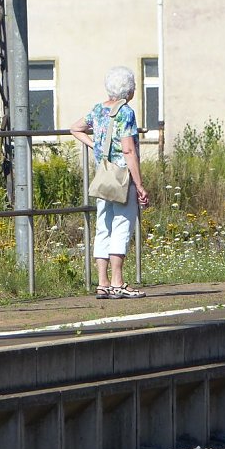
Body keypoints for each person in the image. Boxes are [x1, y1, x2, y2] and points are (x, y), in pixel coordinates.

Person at [70, 66, 150, 298]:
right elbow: (128, 150)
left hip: (103, 176)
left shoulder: (98, 109)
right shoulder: (125, 112)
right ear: (129, 90)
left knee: (103, 226)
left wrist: (95, 146)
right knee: (122, 226)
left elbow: (75, 128)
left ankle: (102, 283)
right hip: (122, 177)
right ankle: (118, 282)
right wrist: (140, 185)